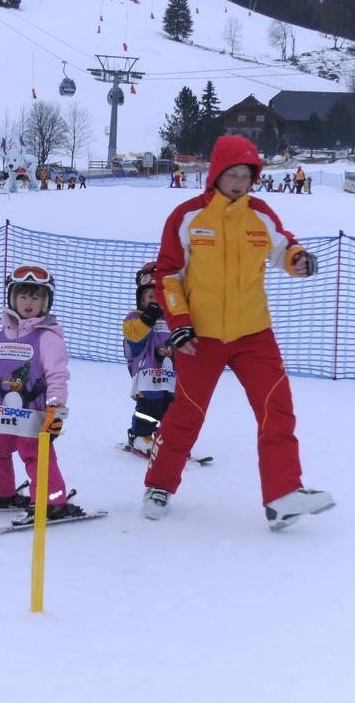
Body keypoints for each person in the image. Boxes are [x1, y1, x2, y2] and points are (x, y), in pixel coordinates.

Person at [141, 134, 334, 531]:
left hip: (253, 333)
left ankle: (282, 497)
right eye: (233, 174)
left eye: (247, 175)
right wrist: (178, 323)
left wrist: (297, 260)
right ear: (216, 174)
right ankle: (159, 484)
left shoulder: (260, 214)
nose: (240, 182)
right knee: (187, 414)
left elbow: (283, 248)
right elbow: (167, 274)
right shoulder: (188, 216)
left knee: (276, 409)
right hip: (201, 336)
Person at [0, 263, 84, 525]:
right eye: (23, 296)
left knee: (35, 453)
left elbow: (58, 375)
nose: (28, 302)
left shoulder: (48, 338)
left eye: (36, 297)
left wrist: (55, 409)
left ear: (46, 302)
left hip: (35, 411)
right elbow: (0, 373)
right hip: (3, 409)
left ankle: (51, 501)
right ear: (12, 298)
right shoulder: (3, 335)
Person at [122, 261, 175, 456]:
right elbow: (134, 336)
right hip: (147, 376)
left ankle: (170, 440)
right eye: (151, 297)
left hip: (172, 378)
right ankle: (140, 436)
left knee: (173, 410)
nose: (156, 302)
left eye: (160, 297)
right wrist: (148, 318)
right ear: (142, 301)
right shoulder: (134, 318)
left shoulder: (173, 321)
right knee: (148, 408)